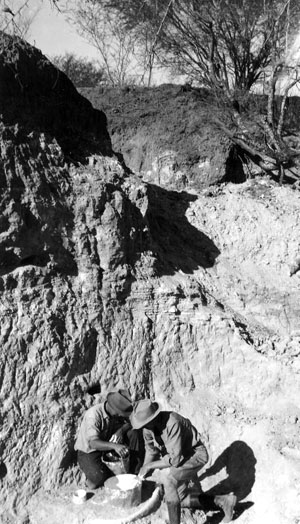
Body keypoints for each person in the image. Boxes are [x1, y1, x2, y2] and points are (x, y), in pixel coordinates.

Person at [130, 399, 236, 524]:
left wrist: (150, 465)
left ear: (153, 418)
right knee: (180, 499)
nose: (144, 427)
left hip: (195, 455)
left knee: (169, 482)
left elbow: (175, 459)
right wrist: (143, 473)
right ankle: (224, 501)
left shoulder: (172, 423)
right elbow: (151, 450)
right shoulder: (147, 428)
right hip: (181, 458)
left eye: (146, 423)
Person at [75, 388, 143, 489]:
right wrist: (115, 446)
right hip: (89, 451)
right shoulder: (93, 415)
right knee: (99, 477)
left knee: (133, 433)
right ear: (113, 409)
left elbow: (132, 423)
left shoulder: (116, 412)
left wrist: (121, 430)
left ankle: (134, 472)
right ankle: (90, 480)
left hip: (108, 446)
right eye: (120, 413)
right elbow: (93, 443)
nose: (121, 415)